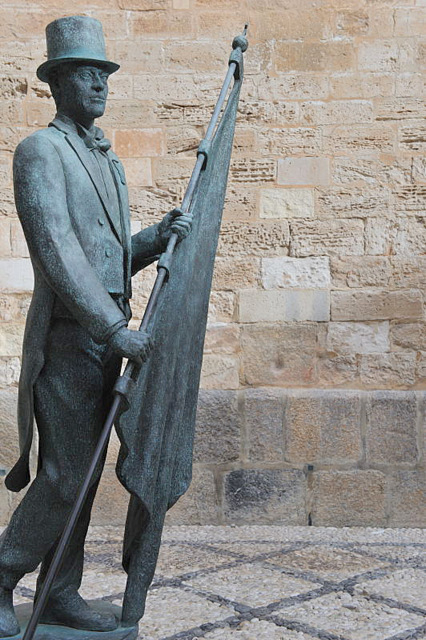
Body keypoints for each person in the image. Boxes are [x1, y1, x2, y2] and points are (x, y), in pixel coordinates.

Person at [0, 15, 192, 637]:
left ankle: (59, 592)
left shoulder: (104, 159)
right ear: (57, 83)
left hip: (107, 335)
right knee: (62, 476)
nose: (98, 84)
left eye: (103, 73)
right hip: (68, 339)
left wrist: (155, 239)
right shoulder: (40, 151)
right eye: (85, 73)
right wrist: (112, 329)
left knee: (81, 478)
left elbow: (109, 256)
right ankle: (2, 574)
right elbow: (58, 252)